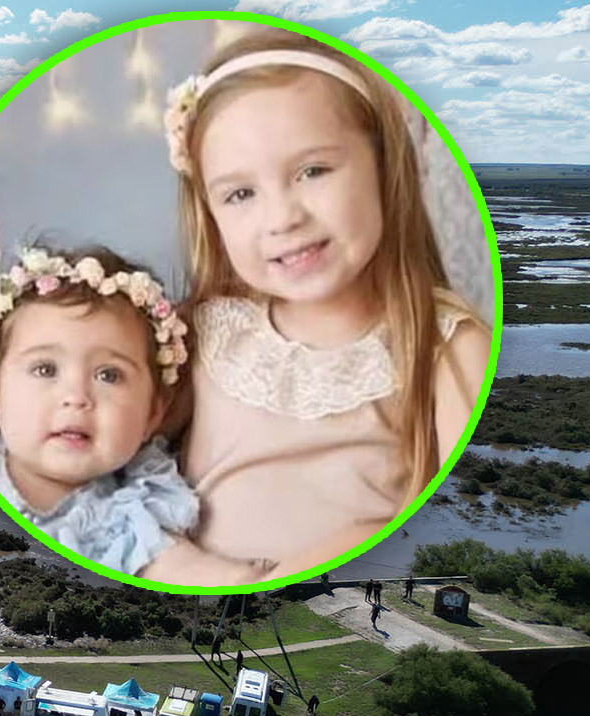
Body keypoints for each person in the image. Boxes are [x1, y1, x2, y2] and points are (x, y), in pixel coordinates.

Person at [166, 29, 491, 574]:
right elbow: (105, 471)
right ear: (210, 213)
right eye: (241, 193)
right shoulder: (203, 335)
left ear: (384, 168)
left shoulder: (446, 348)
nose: (283, 217)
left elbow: (460, 525)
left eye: (312, 171)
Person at [0, 235, 266, 584]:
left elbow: (177, 565)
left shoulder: (128, 512)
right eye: (45, 369)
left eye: (108, 375)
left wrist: (235, 581)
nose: (76, 397)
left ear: (151, 416)